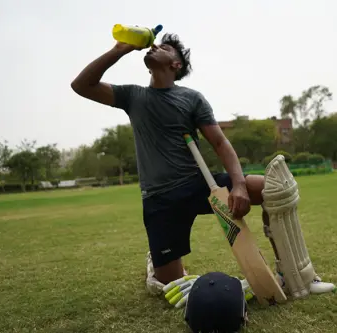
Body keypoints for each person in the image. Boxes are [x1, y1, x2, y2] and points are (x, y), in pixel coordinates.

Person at [70, 33, 267, 291]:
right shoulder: (133, 96)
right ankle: (158, 265)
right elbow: (81, 86)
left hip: (198, 185)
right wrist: (119, 50)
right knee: (171, 285)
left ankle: (292, 271)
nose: (154, 47)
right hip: (159, 199)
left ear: (176, 65)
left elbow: (220, 143)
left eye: (164, 47)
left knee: (270, 187)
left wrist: (239, 185)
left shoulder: (191, 98)